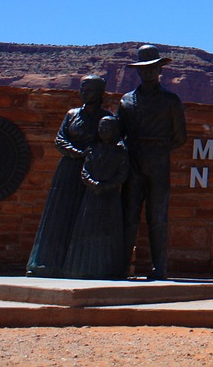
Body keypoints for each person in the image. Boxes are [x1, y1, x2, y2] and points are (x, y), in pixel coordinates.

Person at [26, 74, 110, 278]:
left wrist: (94, 156)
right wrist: (77, 152)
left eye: (88, 89)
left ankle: (80, 266)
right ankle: (46, 263)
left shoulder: (106, 118)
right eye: (82, 89)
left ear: (99, 93)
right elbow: (60, 139)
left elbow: (112, 142)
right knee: (59, 214)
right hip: (68, 171)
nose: (83, 93)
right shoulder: (72, 114)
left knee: (85, 218)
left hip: (92, 172)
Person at [118, 44, 186, 280]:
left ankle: (159, 268)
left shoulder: (171, 101)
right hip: (133, 163)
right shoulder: (126, 101)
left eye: (152, 68)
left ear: (159, 70)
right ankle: (122, 265)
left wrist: (157, 149)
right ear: (138, 71)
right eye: (143, 69)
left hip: (158, 163)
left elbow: (180, 137)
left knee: (158, 217)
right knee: (129, 215)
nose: (148, 73)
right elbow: (120, 134)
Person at [63, 115, 129, 279]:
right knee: (86, 230)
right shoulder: (93, 149)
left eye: (107, 128)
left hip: (109, 198)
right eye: (101, 127)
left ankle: (107, 268)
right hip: (91, 197)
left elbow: (122, 174)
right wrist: (93, 183)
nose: (103, 131)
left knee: (108, 232)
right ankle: (81, 266)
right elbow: (85, 170)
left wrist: (107, 186)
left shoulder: (120, 152)